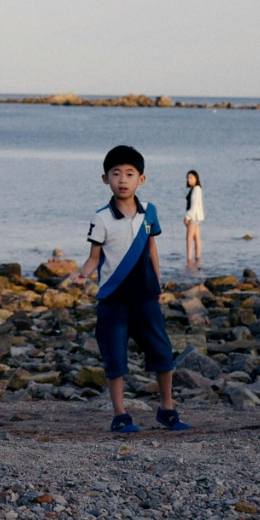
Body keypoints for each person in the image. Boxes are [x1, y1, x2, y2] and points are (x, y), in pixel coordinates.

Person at [72, 145, 191, 433]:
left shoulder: (149, 212)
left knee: (162, 353)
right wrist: (83, 275)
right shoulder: (101, 218)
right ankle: (120, 415)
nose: (122, 180)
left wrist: (157, 283)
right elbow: (93, 258)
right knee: (116, 358)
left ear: (141, 179)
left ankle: (167, 408)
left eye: (129, 174)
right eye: (116, 174)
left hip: (146, 297)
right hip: (113, 300)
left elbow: (152, 248)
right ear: (105, 179)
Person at [183, 169, 205, 268]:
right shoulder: (196, 189)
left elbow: (194, 205)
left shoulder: (196, 189)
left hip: (194, 217)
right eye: (188, 178)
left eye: (191, 178)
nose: (189, 180)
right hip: (197, 217)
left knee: (189, 238)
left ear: (196, 178)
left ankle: (189, 260)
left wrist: (187, 216)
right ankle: (197, 259)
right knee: (196, 238)